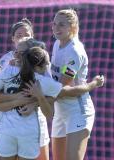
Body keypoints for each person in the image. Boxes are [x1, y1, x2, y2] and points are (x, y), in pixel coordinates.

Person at [0, 38, 104, 160]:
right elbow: (65, 93)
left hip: (11, 130)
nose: (16, 54)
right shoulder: (36, 78)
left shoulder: (12, 72)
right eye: (16, 50)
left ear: (29, 54)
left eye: (20, 51)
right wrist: (93, 84)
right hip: (24, 132)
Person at [0, 19, 51, 160]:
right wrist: (17, 100)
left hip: (34, 119)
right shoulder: (6, 60)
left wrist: (34, 103)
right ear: (13, 38)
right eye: (19, 34)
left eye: (27, 34)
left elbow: (50, 92)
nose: (23, 36)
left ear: (32, 36)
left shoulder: (41, 58)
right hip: (5, 118)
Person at [51, 9, 99, 160]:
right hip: (60, 110)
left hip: (77, 112)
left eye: (61, 25)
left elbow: (62, 88)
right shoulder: (57, 44)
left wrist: (37, 96)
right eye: (54, 24)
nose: (56, 28)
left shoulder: (74, 51)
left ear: (72, 27)